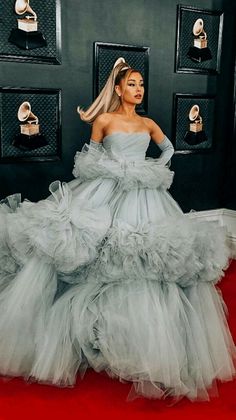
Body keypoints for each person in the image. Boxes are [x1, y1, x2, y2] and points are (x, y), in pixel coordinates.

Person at [0, 57, 235, 402]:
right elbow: (89, 158)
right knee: (94, 248)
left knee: (147, 257)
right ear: (119, 88)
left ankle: (142, 338)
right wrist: (113, 170)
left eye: (141, 85)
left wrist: (152, 167)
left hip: (144, 194)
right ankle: (94, 333)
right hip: (106, 192)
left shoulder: (148, 123)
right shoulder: (104, 119)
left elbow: (168, 148)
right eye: (132, 84)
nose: (138, 90)